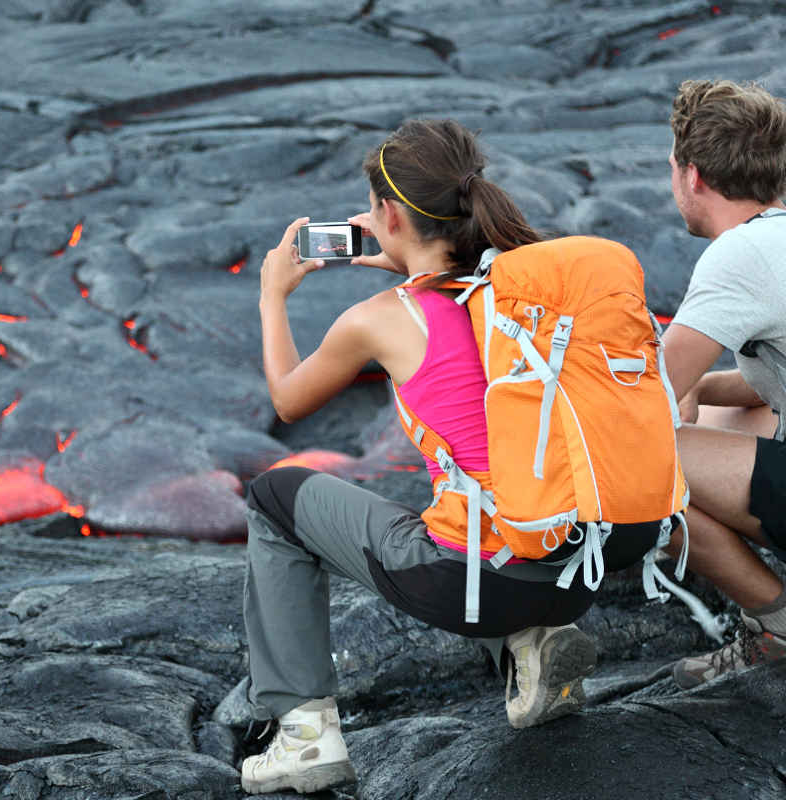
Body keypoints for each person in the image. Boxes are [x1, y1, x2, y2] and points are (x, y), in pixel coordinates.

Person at [240, 119, 675, 795]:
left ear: (387, 214)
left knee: (274, 497)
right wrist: (408, 255)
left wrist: (272, 294)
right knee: (505, 488)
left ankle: (304, 734)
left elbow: (289, 401)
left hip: (472, 583)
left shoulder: (380, 319)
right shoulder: (525, 297)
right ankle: (530, 646)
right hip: (575, 569)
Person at [660, 79, 786, 688]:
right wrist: (702, 390)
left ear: (693, 176)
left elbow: (644, 393)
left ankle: (778, 626)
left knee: (626, 465)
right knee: (705, 421)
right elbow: (771, 383)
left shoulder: (741, 255)